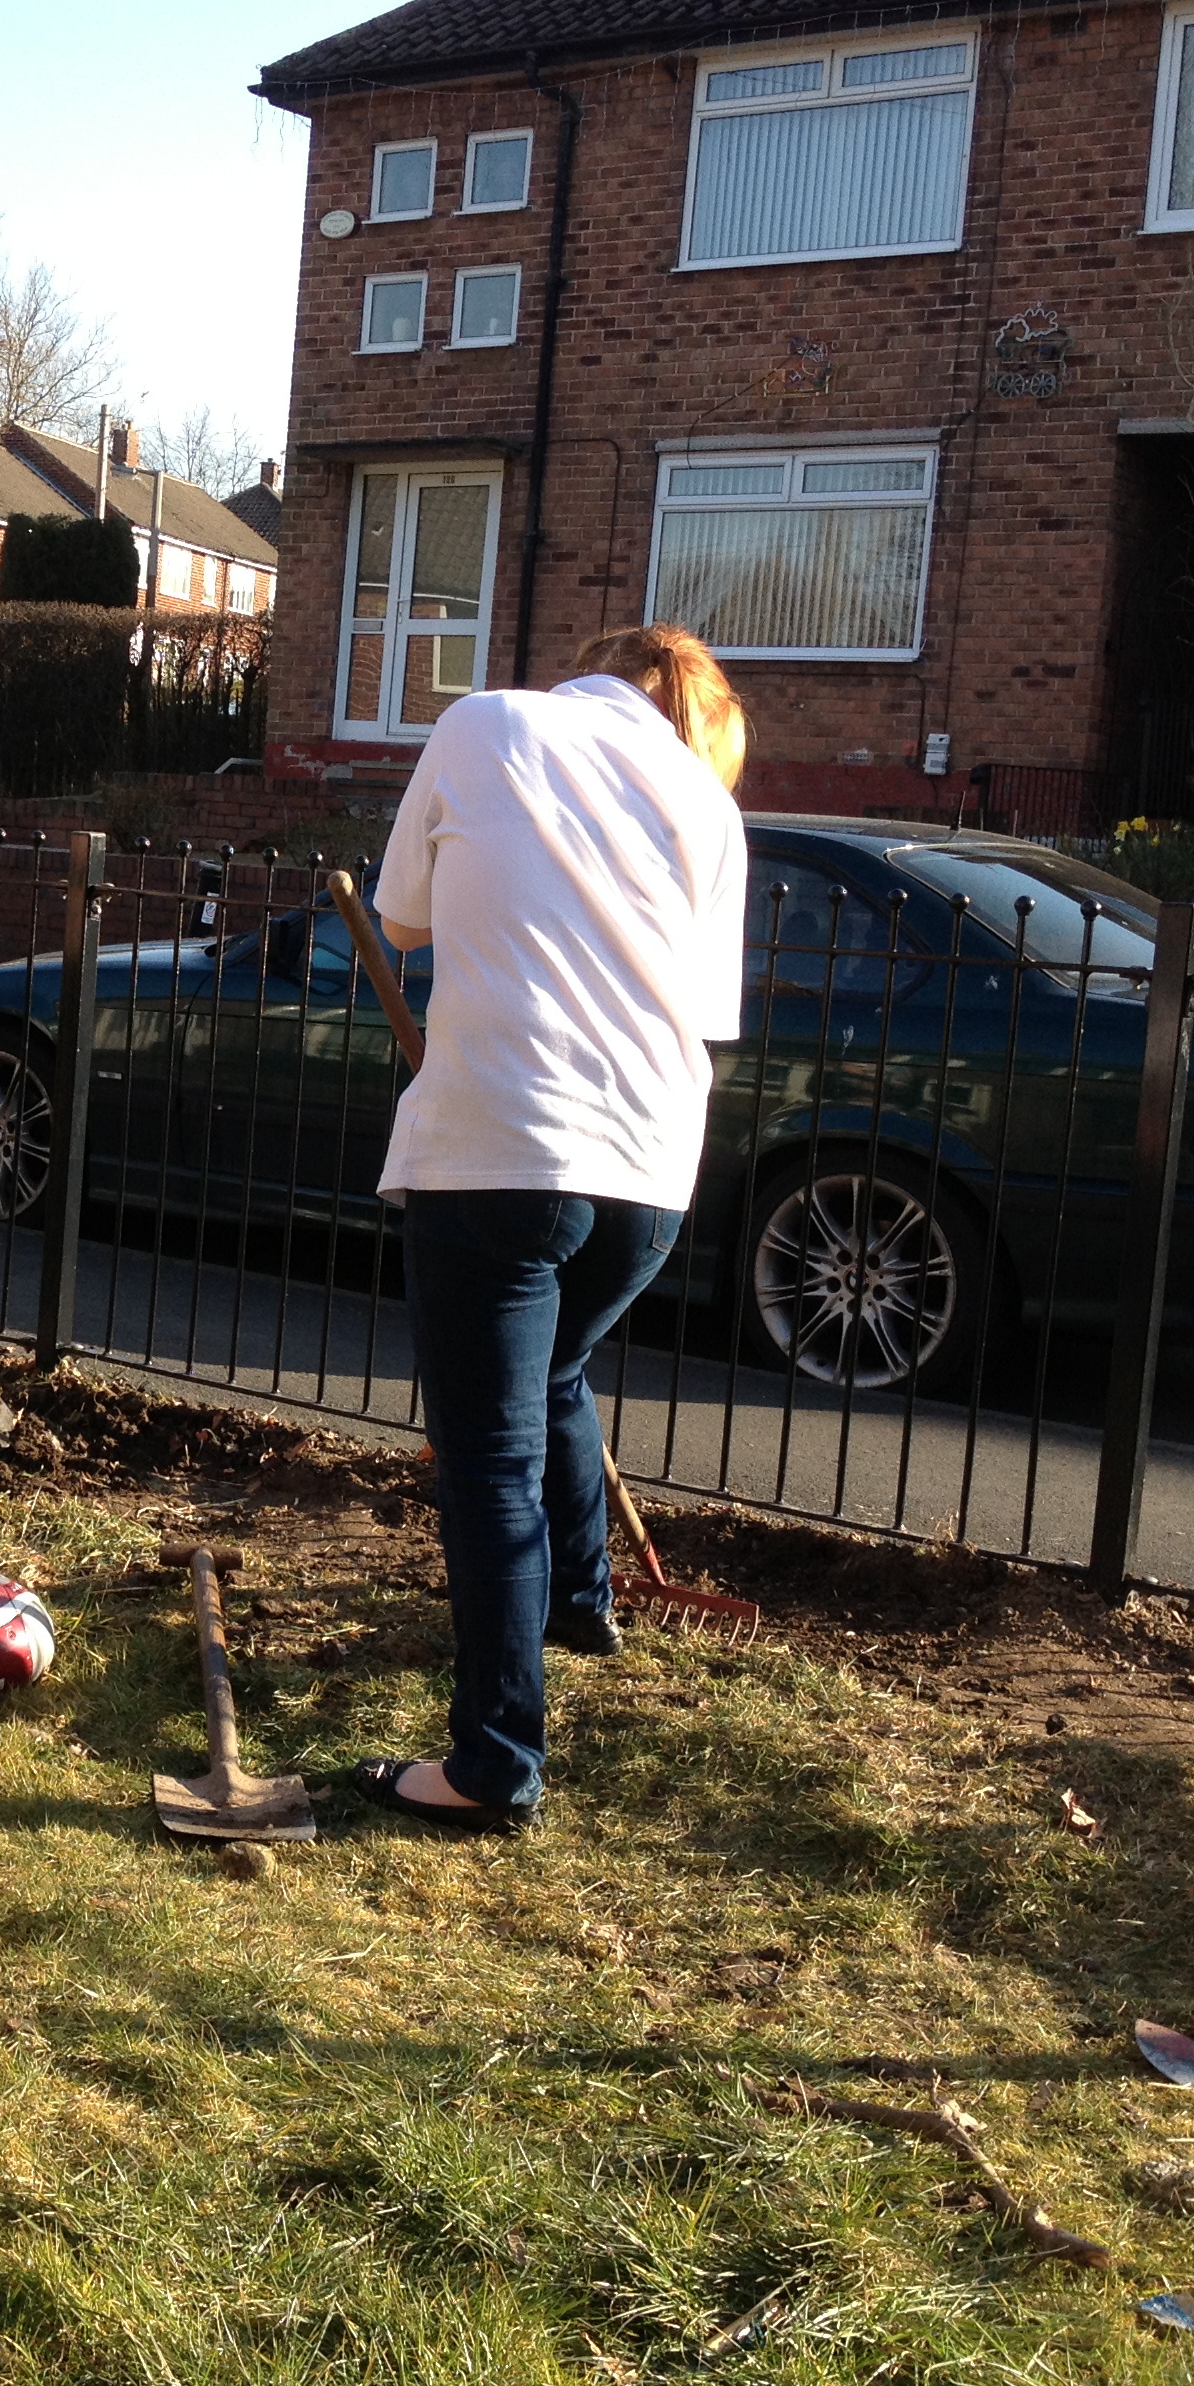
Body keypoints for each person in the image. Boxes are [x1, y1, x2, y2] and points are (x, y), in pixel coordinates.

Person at [350, 625, 749, 1834]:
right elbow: (705, 1011)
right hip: (653, 1173)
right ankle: (581, 1601)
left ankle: (493, 1766)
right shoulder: (708, 805)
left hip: (502, 1150)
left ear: (597, 665)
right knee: (557, 1372)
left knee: (489, 1460)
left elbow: (400, 921)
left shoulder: (484, 723)